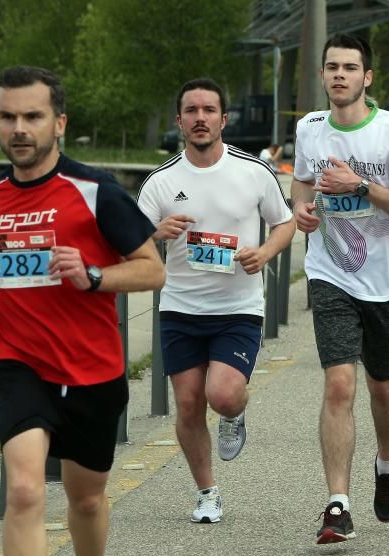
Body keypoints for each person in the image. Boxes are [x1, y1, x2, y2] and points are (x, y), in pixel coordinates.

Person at [0, 65, 165, 556]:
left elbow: (152, 269)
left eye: (32, 117)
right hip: (19, 360)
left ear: (59, 123)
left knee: (87, 500)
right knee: (23, 490)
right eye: (8, 118)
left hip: (93, 368)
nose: (19, 130)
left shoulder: (96, 192)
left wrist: (95, 276)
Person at [292, 34, 389, 544]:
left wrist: (359, 187)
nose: (339, 75)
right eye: (332, 67)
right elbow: (304, 184)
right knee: (338, 384)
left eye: (350, 68)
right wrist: (301, 210)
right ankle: (337, 503)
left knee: (381, 384)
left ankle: (388, 462)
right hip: (332, 272)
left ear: (367, 78)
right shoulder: (309, 128)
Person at [137, 78, 294, 523]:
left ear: (223, 119)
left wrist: (263, 253)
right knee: (188, 405)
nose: (200, 118)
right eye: (192, 110)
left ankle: (234, 414)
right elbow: (127, 240)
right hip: (180, 309)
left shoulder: (252, 171)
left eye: (209, 110)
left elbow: (284, 224)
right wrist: (155, 233)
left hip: (238, 310)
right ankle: (207, 492)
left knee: (222, 396)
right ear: (179, 121)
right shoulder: (161, 182)